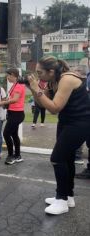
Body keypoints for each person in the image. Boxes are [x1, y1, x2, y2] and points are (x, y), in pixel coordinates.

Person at [27, 56, 90, 215]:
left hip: (80, 123)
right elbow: (43, 104)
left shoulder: (67, 79)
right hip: (66, 122)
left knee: (57, 158)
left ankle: (61, 200)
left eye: (40, 72)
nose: (38, 75)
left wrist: (38, 89)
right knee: (67, 158)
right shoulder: (52, 80)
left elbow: (54, 108)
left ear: (51, 71)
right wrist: (35, 89)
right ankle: (68, 197)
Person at [0, 68, 26, 165]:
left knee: (6, 134)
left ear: (13, 75)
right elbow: (11, 98)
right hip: (12, 113)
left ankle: (11, 156)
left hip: (17, 114)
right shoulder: (14, 85)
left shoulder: (19, 86)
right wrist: (5, 101)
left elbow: (15, 100)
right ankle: (18, 155)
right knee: (14, 134)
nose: (7, 77)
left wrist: (1, 102)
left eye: (8, 75)